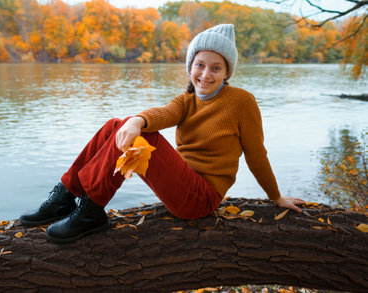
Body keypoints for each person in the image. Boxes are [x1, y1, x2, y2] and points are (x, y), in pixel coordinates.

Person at [19, 24, 305, 243]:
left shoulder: (241, 101)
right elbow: (164, 113)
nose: (206, 75)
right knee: (115, 124)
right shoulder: (187, 99)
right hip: (180, 183)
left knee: (146, 139)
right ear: (191, 66)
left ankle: (91, 212)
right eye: (200, 65)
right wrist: (136, 120)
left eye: (216, 68)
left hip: (201, 198)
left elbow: (257, 154)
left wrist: (276, 197)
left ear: (227, 72)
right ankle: (64, 196)